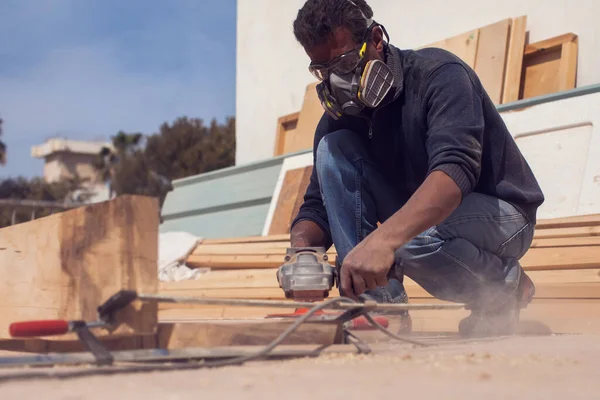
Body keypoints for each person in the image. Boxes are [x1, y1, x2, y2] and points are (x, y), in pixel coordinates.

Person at [288, 0, 545, 336]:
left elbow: (454, 172)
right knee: (332, 149)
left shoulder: (439, 75)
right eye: (324, 71)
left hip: (502, 215)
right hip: (424, 220)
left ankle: (505, 287)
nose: (338, 82)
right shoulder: (338, 121)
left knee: (408, 239)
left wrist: (385, 240)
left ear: (376, 40)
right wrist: (302, 252)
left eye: (347, 63)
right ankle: (378, 305)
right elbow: (319, 204)